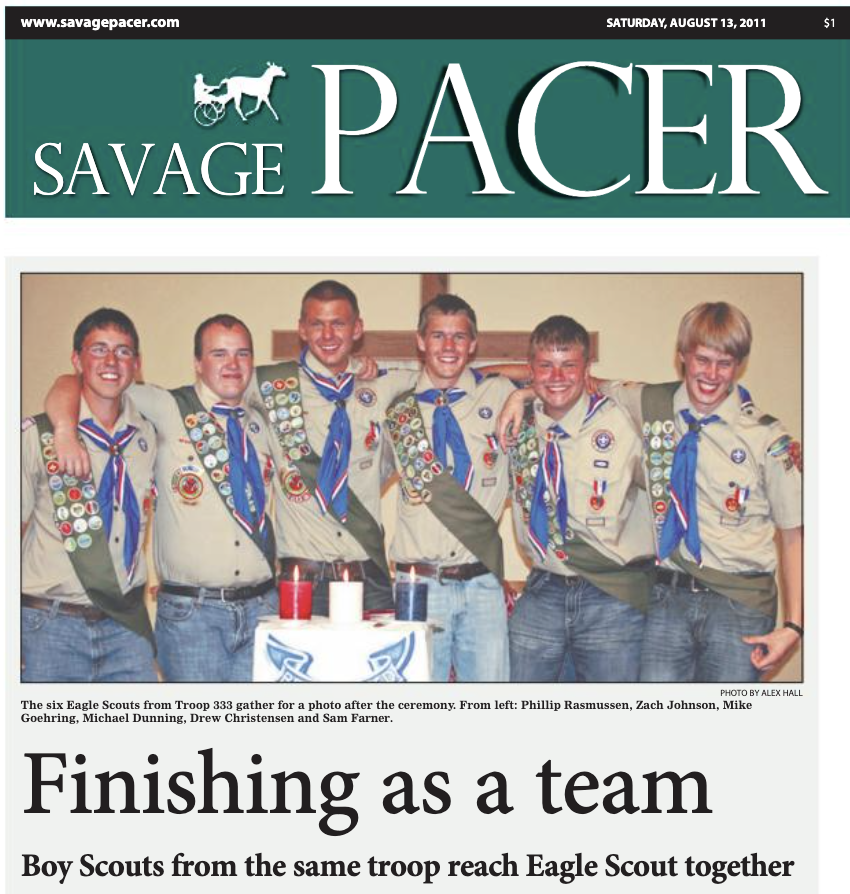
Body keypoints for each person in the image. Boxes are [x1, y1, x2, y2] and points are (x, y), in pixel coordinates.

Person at [46, 314, 277, 682]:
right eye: (218, 354)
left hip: (263, 607)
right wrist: (63, 431)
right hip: (192, 614)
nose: (232, 365)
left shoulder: (264, 420)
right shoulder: (165, 407)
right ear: (198, 363)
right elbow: (76, 381)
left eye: (242, 354)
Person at [606, 303, 802, 682]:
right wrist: (518, 395)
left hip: (740, 603)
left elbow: (794, 533)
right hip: (668, 597)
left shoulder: (766, 437)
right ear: (682, 356)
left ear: (739, 365)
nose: (712, 374)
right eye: (703, 359)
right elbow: (576, 382)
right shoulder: (652, 404)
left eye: (725, 363)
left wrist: (793, 627)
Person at [247, 280, 418, 616]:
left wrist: (522, 394)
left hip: (368, 574)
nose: (327, 335)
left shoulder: (382, 383)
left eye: (338, 324)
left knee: (380, 668)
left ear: (357, 328)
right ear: (302, 329)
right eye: (317, 324)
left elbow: (456, 380)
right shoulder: (269, 384)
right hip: (303, 578)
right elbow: (208, 391)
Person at [504, 316, 655, 683]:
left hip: (611, 596)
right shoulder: (516, 424)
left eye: (569, 365)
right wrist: (519, 393)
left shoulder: (623, 421)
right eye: (545, 366)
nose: (557, 376)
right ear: (530, 369)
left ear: (587, 369)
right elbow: (475, 374)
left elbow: (676, 399)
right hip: (543, 590)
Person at [385, 295, 517, 681]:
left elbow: (558, 378)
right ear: (420, 341)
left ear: (473, 344)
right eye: (438, 336)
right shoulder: (395, 406)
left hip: (482, 583)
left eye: (459, 337)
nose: (448, 347)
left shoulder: (500, 394)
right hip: (418, 584)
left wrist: (524, 394)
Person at [22, 308, 157, 682]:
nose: (111, 361)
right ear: (76, 359)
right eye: (98, 349)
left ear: (137, 364)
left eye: (123, 351)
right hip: (51, 623)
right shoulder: (40, 436)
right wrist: (65, 429)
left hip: (126, 624)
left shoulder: (150, 434)